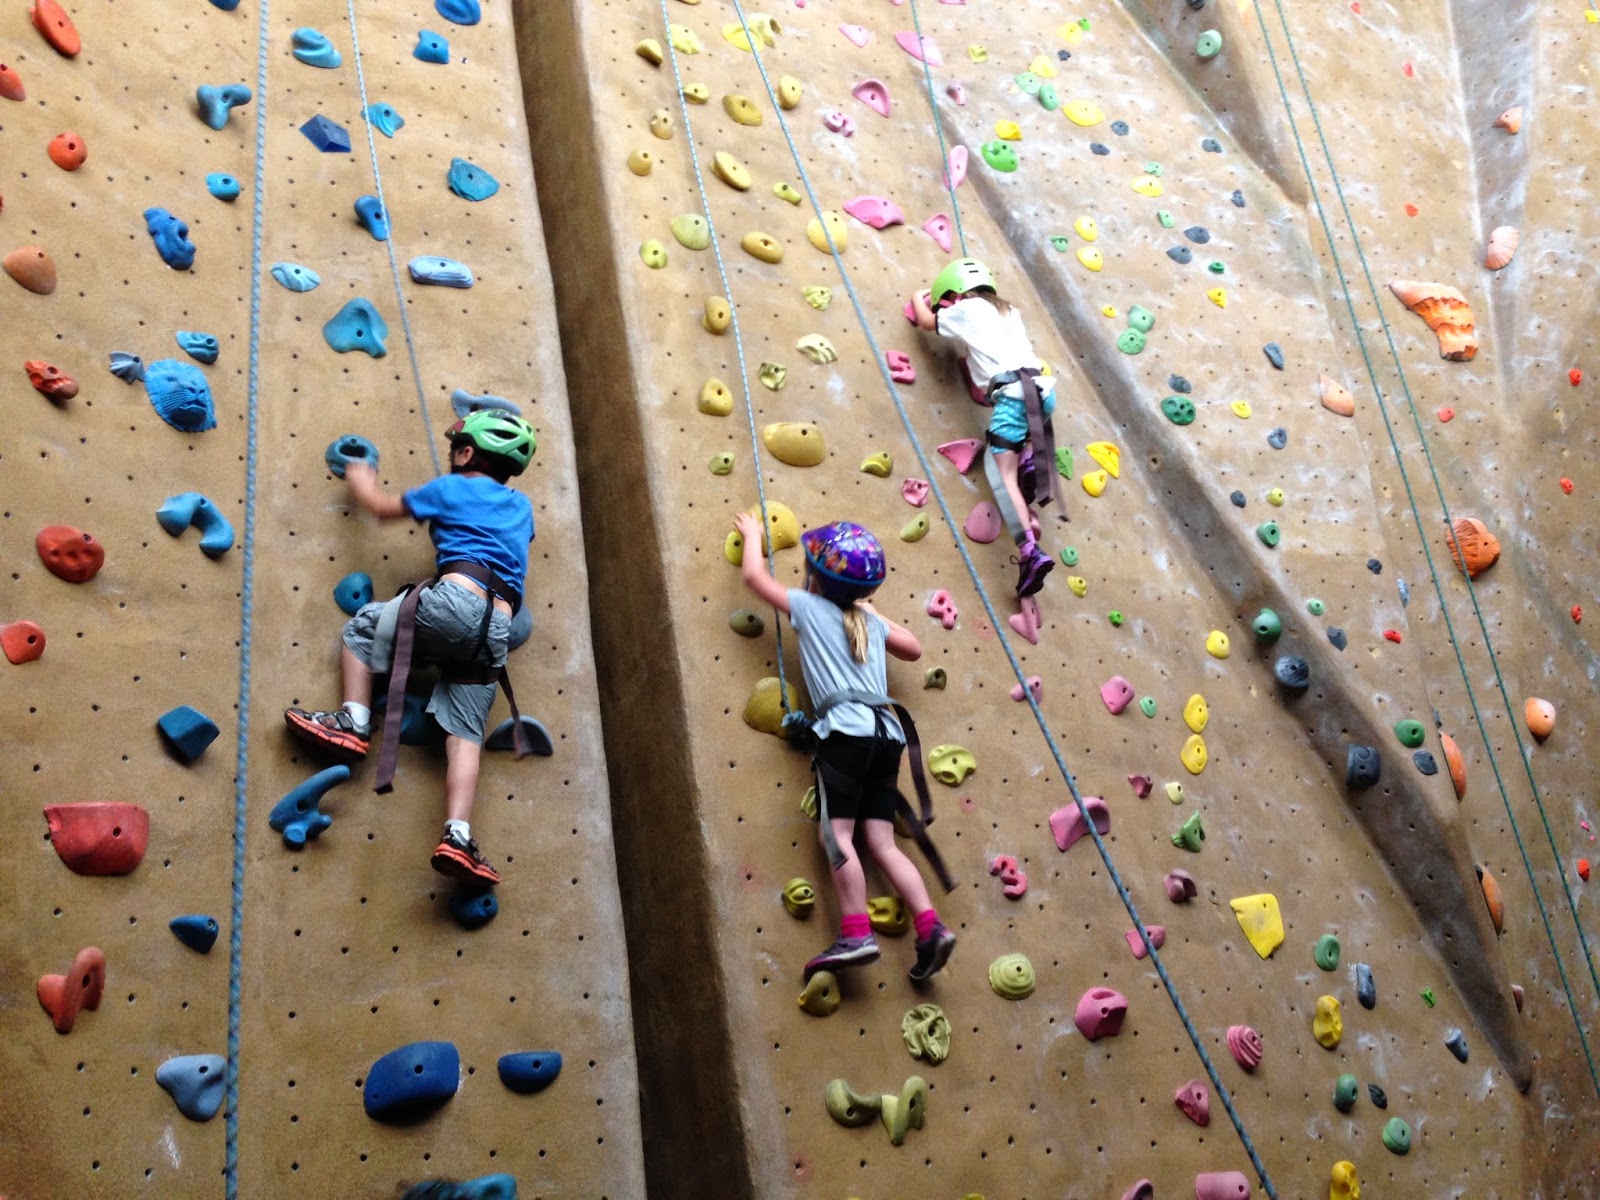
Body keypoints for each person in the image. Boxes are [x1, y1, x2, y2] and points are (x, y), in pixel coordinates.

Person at [284, 410, 537, 886]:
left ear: (465, 454)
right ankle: (458, 835)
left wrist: (361, 479)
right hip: (496, 629)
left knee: (363, 630)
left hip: (456, 600)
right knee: (465, 731)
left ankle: (353, 722)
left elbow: (381, 508)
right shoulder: (521, 508)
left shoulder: (450, 487)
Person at [732, 511, 957, 984]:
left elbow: (754, 576)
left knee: (836, 836)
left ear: (813, 576)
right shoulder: (869, 624)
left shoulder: (809, 608)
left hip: (848, 735)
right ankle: (930, 926)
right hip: (887, 735)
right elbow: (914, 648)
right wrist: (867, 608)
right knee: (880, 842)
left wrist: (753, 535)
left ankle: (856, 933)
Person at [910, 257, 1061, 597]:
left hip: (1012, 398)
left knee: (1003, 479)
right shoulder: (1009, 311)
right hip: (1042, 392)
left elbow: (923, 322)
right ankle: (1027, 458)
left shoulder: (964, 309)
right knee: (1017, 437)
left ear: (954, 293)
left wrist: (920, 299)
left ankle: (1030, 553)